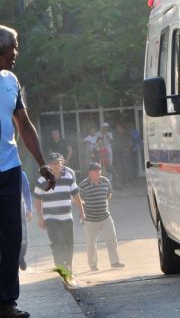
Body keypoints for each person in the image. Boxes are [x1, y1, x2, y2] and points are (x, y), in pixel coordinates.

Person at [0, 24, 56, 318]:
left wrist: (42, 163)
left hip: (8, 170)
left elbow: (24, 124)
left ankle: (6, 303)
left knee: (11, 237)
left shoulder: (10, 80)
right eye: (13, 47)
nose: (16, 53)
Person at [33, 153, 84, 272]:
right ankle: (61, 269)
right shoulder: (42, 180)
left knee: (69, 243)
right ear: (49, 165)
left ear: (62, 163)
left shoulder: (69, 178)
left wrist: (82, 211)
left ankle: (69, 267)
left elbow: (76, 196)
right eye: (53, 164)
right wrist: (40, 218)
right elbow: (37, 200)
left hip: (66, 217)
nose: (56, 166)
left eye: (58, 163)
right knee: (56, 243)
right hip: (51, 217)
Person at [79, 162, 124, 271]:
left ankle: (115, 262)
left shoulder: (105, 181)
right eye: (95, 170)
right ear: (89, 172)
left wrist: (100, 202)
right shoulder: (83, 185)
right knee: (91, 244)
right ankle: (93, 265)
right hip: (90, 219)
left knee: (112, 239)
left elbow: (109, 194)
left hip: (105, 217)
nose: (98, 172)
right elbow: (79, 200)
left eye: (99, 170)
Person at [19, 171, 32, 271]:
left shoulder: (20, 174)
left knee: (23, 237)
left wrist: (29, 208)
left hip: (20, 210)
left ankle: (21, 256)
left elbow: (26, 192)